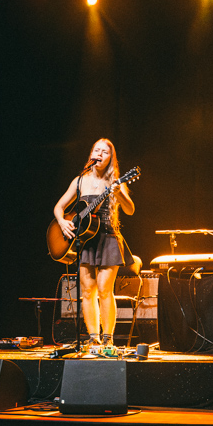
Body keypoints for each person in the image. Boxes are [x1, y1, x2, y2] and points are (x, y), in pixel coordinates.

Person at [53, 138, 135, 347]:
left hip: (108, 238)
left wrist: (119, 194)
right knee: (88, 291)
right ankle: (93, 338)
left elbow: (130, 210)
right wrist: (62, 223)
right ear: (91, 154)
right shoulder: (80, 181)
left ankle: (107, 339)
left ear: (110, 158)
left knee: (105, 289)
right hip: (86, 240)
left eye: (104, 152)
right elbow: (59, 207)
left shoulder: (116, 181)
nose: (99, 154)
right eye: (96, 150)